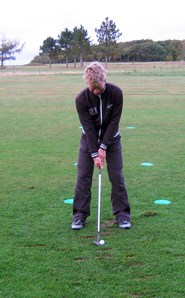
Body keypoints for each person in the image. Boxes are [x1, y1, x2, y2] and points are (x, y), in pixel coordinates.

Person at [72, 62, 131, 230]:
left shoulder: (116, 93)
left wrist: (104, 147)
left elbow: (114, 122)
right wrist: (94, 153)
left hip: (112, 140)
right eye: (92, 87)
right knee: (83, 177)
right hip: (88, 141)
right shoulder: (81, 99)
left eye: (98, 87)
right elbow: (88, 128)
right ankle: (79, 215)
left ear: (104, 80)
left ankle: (122, 215)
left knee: (116, 176)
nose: (95, 91)